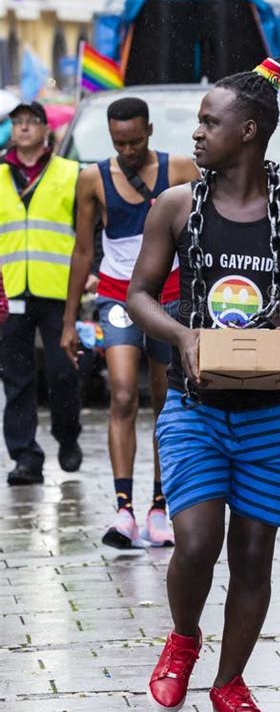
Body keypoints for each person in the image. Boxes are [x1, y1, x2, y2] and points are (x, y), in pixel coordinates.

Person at [127, 58, 280, 712]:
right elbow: (139, 294)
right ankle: (184, 639)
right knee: (196, 542)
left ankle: (231, 683)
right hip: (196, 410)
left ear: (249, 131)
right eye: (198, 122)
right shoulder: (175, 206)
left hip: (272, 418)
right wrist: (182, 335)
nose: (195, 134)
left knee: (254, 551)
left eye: (208, 122)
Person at [61, 97, 199, 552]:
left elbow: (203, 236)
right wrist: (69, 321)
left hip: (170, 297)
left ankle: (160, 507)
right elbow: (83, 250)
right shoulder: (92, 179)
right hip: (118, 295)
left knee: (165, 402)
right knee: (122, 393)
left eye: (136, 141)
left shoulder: (180, 170)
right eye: (119, 142)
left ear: (151, 131)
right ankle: (124, 510)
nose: (128, 150)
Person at [0, 100, 82, 485]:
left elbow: (88, 231)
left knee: (63, 372)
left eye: (32, 121)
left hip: (59, 290)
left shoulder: (70, 173)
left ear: (46, 129)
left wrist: (92, 272)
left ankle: (67, 435)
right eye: (18, 122)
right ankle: (25, 456)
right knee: (16, 377)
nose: (25, 127)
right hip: (9, 289)